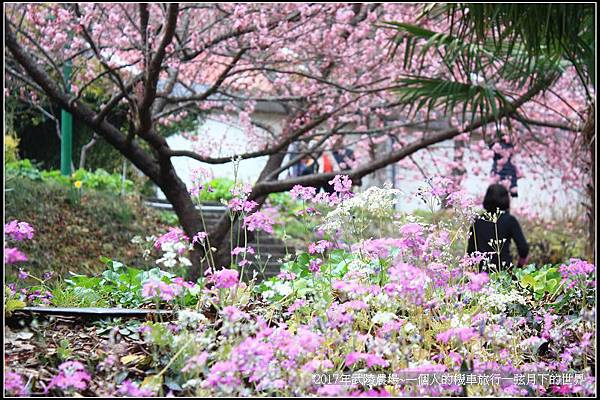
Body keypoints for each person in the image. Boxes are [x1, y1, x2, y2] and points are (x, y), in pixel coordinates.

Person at [467, 184, 529, 271]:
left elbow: (470, 253)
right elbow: (523, 249)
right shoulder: (509, 220)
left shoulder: (477, 222)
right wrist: (519, 267)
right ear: (505, 199)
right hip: (505, 273)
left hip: (482, 275)